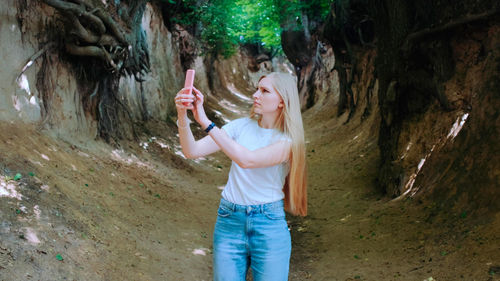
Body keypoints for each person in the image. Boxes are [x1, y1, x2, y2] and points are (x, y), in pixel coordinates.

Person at [174, 72, 307, 281]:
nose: (256, 95)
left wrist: (206, 123)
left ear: (282, 101)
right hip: (229, 221)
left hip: (269, 225)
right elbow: (192, 151)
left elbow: (248, 160)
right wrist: (183, 115)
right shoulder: (240, 127)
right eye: (257, 88)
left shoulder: (288, 141)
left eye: (264, 91)